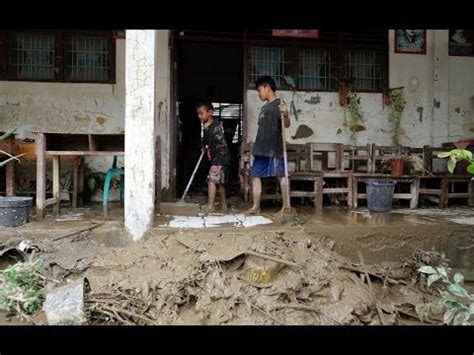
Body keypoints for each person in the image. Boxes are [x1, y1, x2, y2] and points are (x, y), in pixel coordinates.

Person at [244, 76, 290, 215]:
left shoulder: (279, 104)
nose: (259, 94)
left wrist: (286, 114)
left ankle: (285, 207)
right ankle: (255, 207)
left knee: (281, 175)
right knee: (255, 175)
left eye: (259, 90)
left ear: (267, 88)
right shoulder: (264, 108)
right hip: (261, 148)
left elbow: (286, 125)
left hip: (275, 148)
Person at [196, 101, 231, 213]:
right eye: (198, 114)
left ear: (210, 112)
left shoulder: (215, 126)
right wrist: (204, 146)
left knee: (211, 180)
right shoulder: (208, 126)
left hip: (220, 157)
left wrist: (206, 134)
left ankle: (211, 206)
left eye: (201, 113)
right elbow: (206, 143)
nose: (199, 116)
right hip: (220, 157)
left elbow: (212, 141)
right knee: (219, 182)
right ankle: (224, 205)